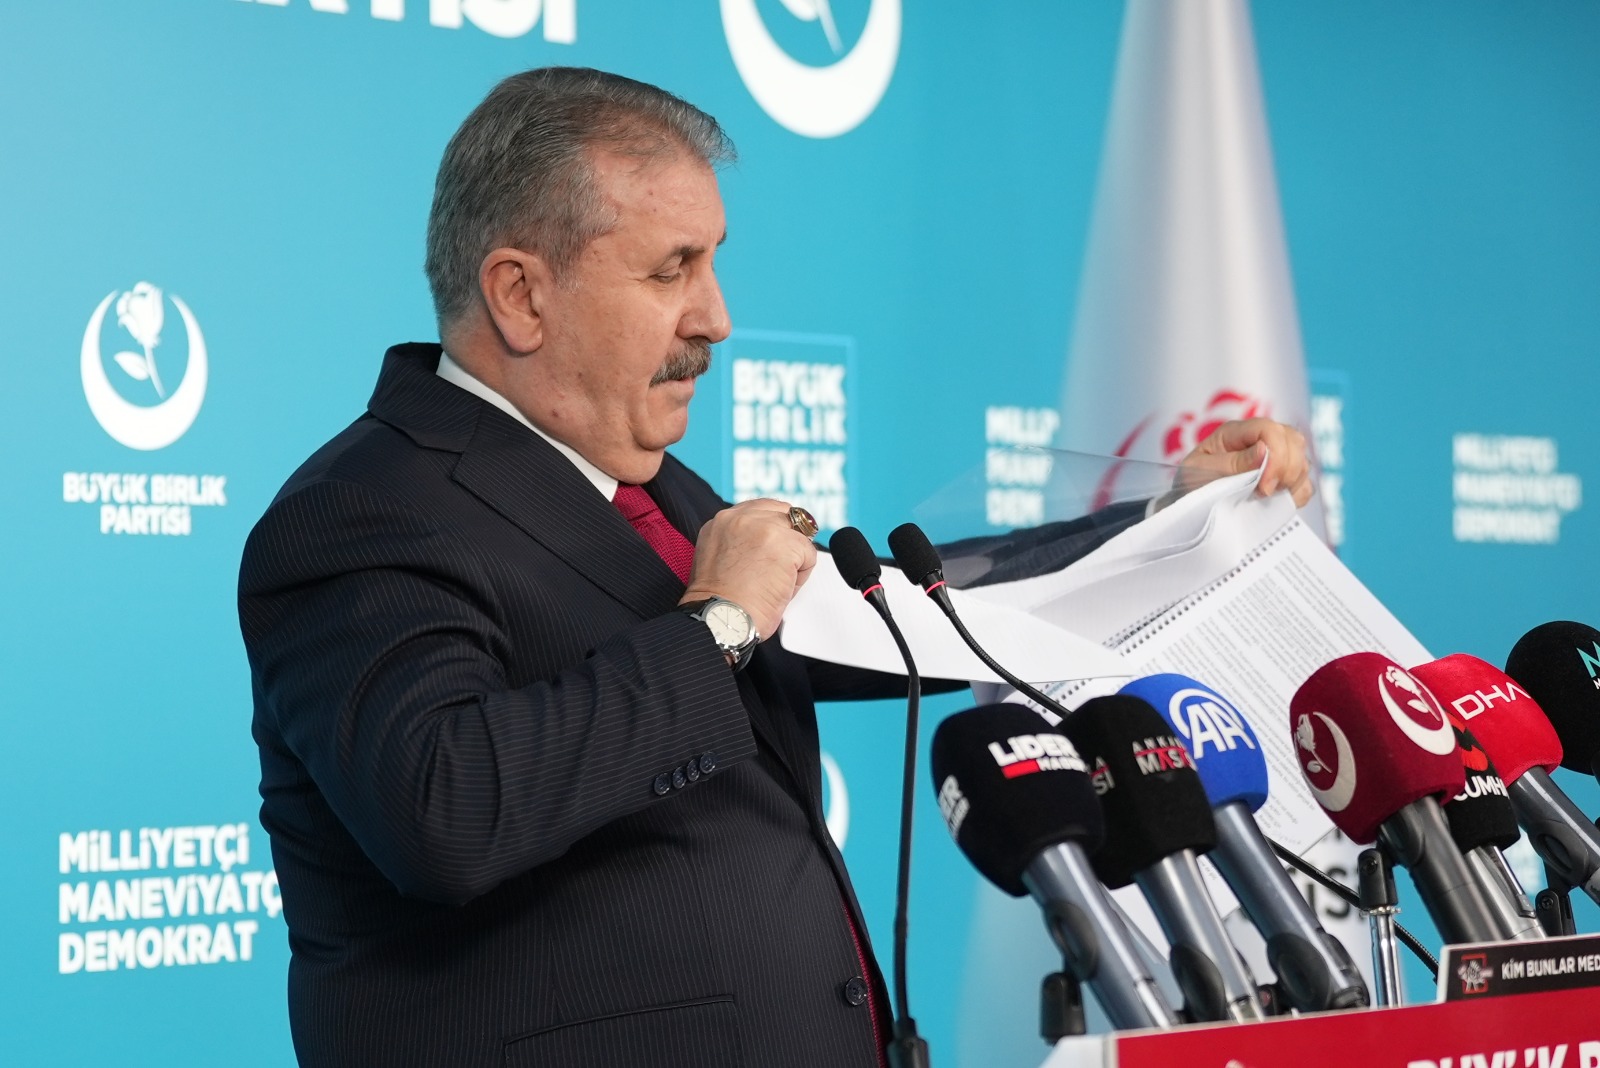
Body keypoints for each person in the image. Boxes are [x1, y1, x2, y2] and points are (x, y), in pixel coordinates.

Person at [238, 67, 1312, 1068]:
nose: (717, 317)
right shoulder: (361, 512)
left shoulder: (654, 489)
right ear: (521, 294)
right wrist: (716, 622)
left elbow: (899, 611)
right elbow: (446, 809)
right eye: (672, 269)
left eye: (711, 262)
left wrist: (1165, 521)